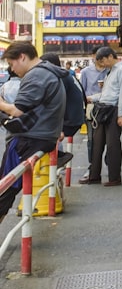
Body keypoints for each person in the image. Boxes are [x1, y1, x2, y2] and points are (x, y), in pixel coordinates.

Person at [0, 41, 66, 216]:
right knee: (10, 186)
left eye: (12, 64)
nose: (12, 70)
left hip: (30, 138)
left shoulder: (36, 75)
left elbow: (17, 110)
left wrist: (1, 104)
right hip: (45, 136)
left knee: (6, 186)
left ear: (22, 57)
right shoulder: (49, 72)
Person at [80, 47, 122, 187]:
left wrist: (121, 114)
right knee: (97, 144)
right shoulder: (110, 71)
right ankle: (94, 175)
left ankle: (115, 177)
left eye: (103, 61)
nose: (102, 65)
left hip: (113, 110)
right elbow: (107, 93)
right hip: (103, 108)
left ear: (110, 56)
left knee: (112, 145)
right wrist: (92, 98)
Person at [79, 49, 109, 165]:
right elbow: (82, 90)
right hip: (91, 108)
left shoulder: (110, 71)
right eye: (99, 56)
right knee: (91, 138)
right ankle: (92, 165)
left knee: (108, 138)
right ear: (93, 56)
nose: (102, 59)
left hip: (107, 107)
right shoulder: (86, 72)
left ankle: (107, 160)